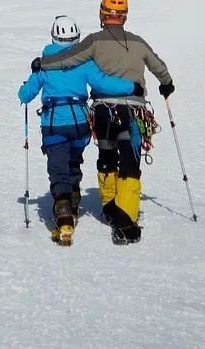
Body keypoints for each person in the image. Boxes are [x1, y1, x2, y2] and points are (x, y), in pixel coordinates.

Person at [32, 0, 175, 244]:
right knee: (130, 162)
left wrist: (42, 63)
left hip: (102, 113)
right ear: (125, 15)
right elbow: (159, 67)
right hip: (133, 111)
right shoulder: (139, 42)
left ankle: (109, 207)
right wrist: (166, 85)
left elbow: (67, 58)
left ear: (102, 13)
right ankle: (124, 220)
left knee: (107, 156)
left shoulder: (94, 41)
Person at [19, 14, 140, 246]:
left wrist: (29, 82)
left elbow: (26, 95)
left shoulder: (45, 64)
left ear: (53, 37)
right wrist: (131, 86)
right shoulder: (84, 62)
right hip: (80, 125)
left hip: (54, 124)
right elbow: (104, 82)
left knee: (58, 167)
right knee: (73, 161)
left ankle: (64, 213)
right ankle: (73, 196)